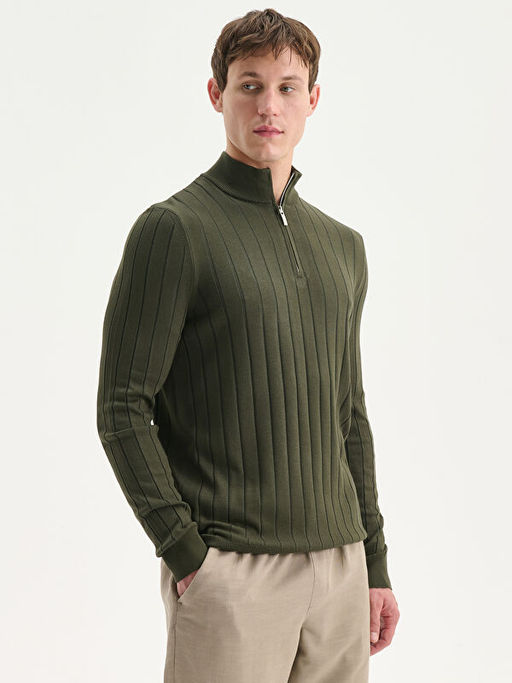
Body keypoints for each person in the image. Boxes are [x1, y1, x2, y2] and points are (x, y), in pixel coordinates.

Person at [96, 8, 399, 683]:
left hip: (340, 567)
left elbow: (348, 413)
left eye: (288, 87)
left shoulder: (343, 246)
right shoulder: (174, 229)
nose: (269, 105)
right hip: (232, 570)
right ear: (217, 94)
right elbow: (122, 406)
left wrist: (374, 563)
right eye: (250, 85)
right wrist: (185, 552)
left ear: (313, 99)